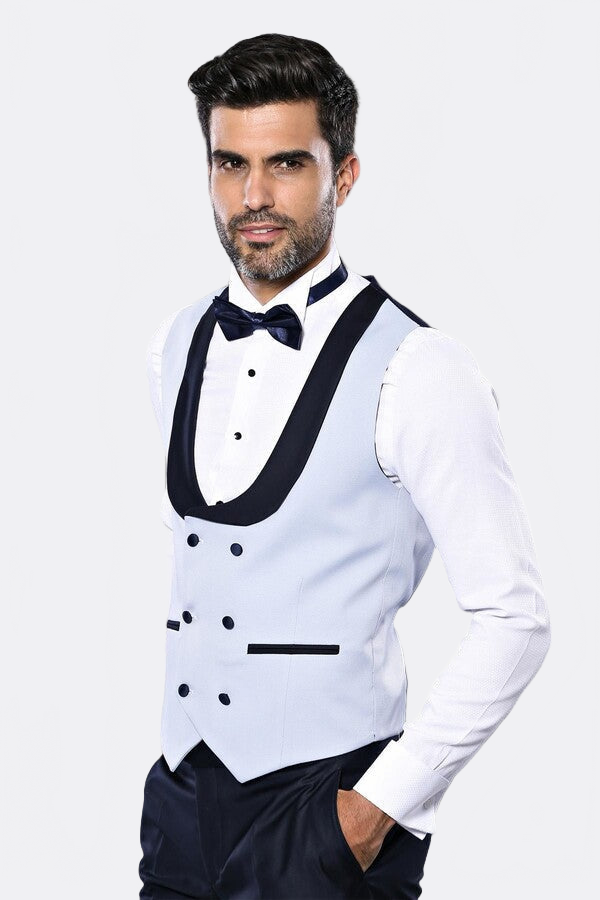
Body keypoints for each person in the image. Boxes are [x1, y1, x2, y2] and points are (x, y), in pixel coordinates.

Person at [138, 32, 551, 900]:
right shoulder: (176, 344)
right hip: (180, 803)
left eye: (287, 163)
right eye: (229, 164)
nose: (254, 196)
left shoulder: (419, 368)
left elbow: (514, 618)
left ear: (345, 175)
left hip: (327, 809)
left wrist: (376, 809)